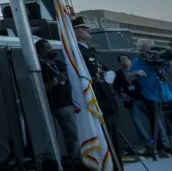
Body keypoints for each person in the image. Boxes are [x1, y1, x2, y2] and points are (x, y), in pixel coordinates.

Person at [128, 40, 172, 158]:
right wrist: (136, 73)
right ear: (141, 49)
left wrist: (171, 61)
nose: (149, 50)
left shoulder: (159, 57)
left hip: (166, 93)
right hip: (150, 94)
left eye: (150, 47)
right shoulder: (137, 61)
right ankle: (161, 149)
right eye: (146, 47)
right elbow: (128, 76)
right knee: (155, 123)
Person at [71, 18, 120, 169]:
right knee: (103, 135)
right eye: (84, 28)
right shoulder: (77, 51)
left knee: (112, 134)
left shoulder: (89, 50)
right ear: (75, 32)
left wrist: (110, 74)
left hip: (104, 95)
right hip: (95, 97)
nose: (89, 30)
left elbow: (103, 69)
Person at [37, 39, 79, 161]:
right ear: (41, 51)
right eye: (48, 48)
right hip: (61, 103)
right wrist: (55, 80)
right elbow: (40, 87)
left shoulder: (58, 63)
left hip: (73, 100)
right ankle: (76, 160)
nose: (51, 50)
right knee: (73, 134)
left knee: (79, 131)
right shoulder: (40, 66)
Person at [115, 54, 153, 157]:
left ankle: (160, 142)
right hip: (131, 101)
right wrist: (122, 94)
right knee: (137, 123)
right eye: (121, 59)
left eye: (125, 58)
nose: (124, 61)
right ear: (119, 63)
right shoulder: (119, 73)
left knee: (154, 119)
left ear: (130, 60)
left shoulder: (137, 68)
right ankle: (148, 144)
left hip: (144, 98)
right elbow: (117, 86)